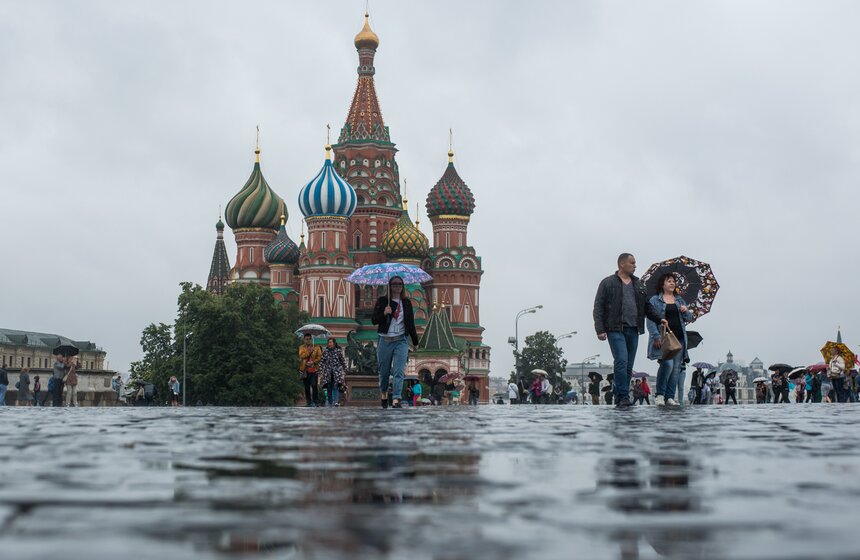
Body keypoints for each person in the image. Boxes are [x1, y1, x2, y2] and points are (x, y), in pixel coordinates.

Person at [593, 253, 665, 408]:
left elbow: (647, 307)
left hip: (634, 329)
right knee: (621, 360)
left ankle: (620, 396)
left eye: (635, 263)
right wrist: (600, 329)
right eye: (632, 263)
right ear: (622, 264)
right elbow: (598, 306)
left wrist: (660, 318)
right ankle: (624, 395)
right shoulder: (608, 283)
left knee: (628, 365)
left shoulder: (639, 284)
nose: (635, 266)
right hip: (615, 329)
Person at [372, 276, 420, 409]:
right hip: (385, 340)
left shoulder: (406, 303)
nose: (397, 286)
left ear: (403, 286)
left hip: (401, 340)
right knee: (384, 372)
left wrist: (415, 342)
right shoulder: (383, 301)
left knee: (399, 371)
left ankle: (396, 399)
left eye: (400, 284)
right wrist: (384, 312)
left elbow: (411, 324)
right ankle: (383, 394)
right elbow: (374, 320)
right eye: (394, 284)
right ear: (390, 285)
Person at [645, 273, 692, 406]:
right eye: (669, 281)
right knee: (667, 365)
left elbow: (688, 318)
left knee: (676, 368)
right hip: (664, 338)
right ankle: (660, 395)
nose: (672, 283)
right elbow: (650, 320)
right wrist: (656, 336)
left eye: (673, 281)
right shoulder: (655, 300)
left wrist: (685, 311)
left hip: (679, 338)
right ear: (662, 284)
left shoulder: (679, 300)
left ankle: (670, 397)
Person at [320, 337, 347, 407]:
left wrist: (345, 369)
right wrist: (320, 369)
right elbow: (322, 361)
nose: (330, 344)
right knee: (329, 387)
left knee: (336, 387)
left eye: (331, 342)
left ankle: (335, 401)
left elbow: (342, 361)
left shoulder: (338, 351)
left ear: (334, 343)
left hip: (336, 372)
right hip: (328, 372)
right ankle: (330, 402)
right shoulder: (325, 352)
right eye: (329, 342)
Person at [298, 334, 322, 407]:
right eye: (306, 339)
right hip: (305, 370)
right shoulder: (301, 347)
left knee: (314, 385)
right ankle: (308, 402)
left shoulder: (316, 347)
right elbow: (301, 356)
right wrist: (309, 352)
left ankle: (316, 401)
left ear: (311, 339)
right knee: (306, 387)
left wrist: (313, 362)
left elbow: (319, 357)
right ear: (304, 340)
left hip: (314, 369)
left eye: (309, 339)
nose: (308, 340)